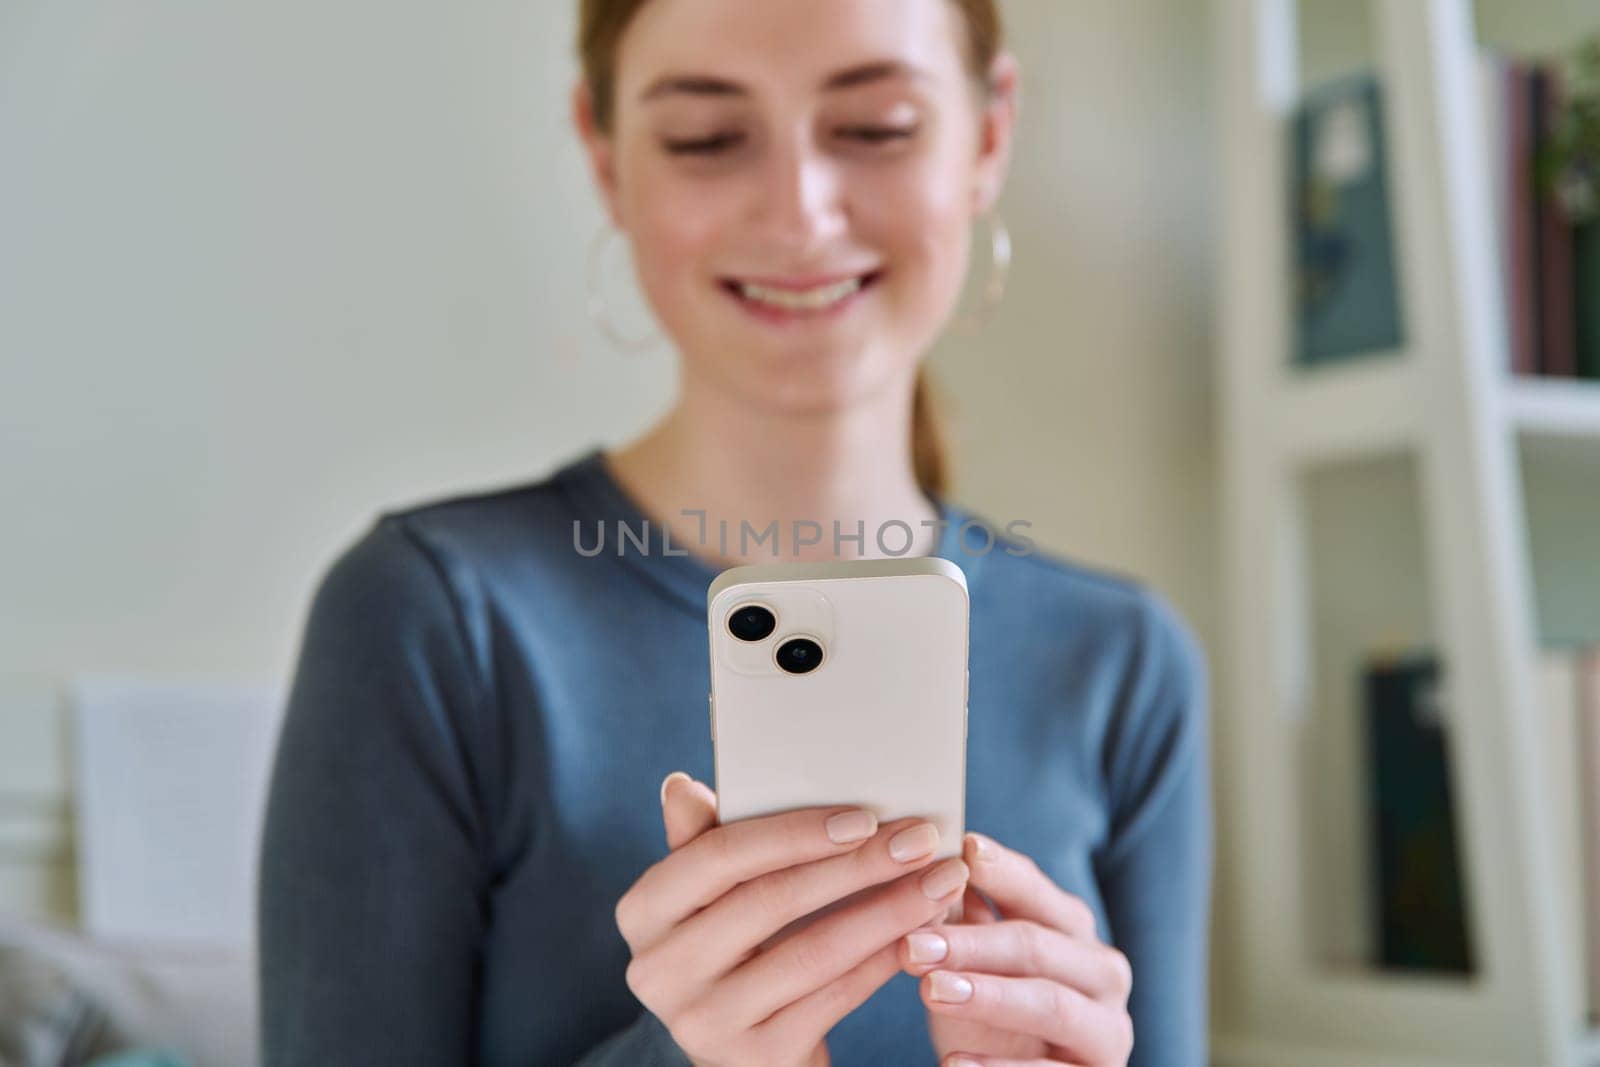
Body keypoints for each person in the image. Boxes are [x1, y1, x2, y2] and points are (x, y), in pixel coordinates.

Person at [256, 1, 1212, 1064]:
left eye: (877, 127)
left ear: (988, 136)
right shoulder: (429, 619)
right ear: (605, 155)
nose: (799, 215)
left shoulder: (1124, 664)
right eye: (706, 139)